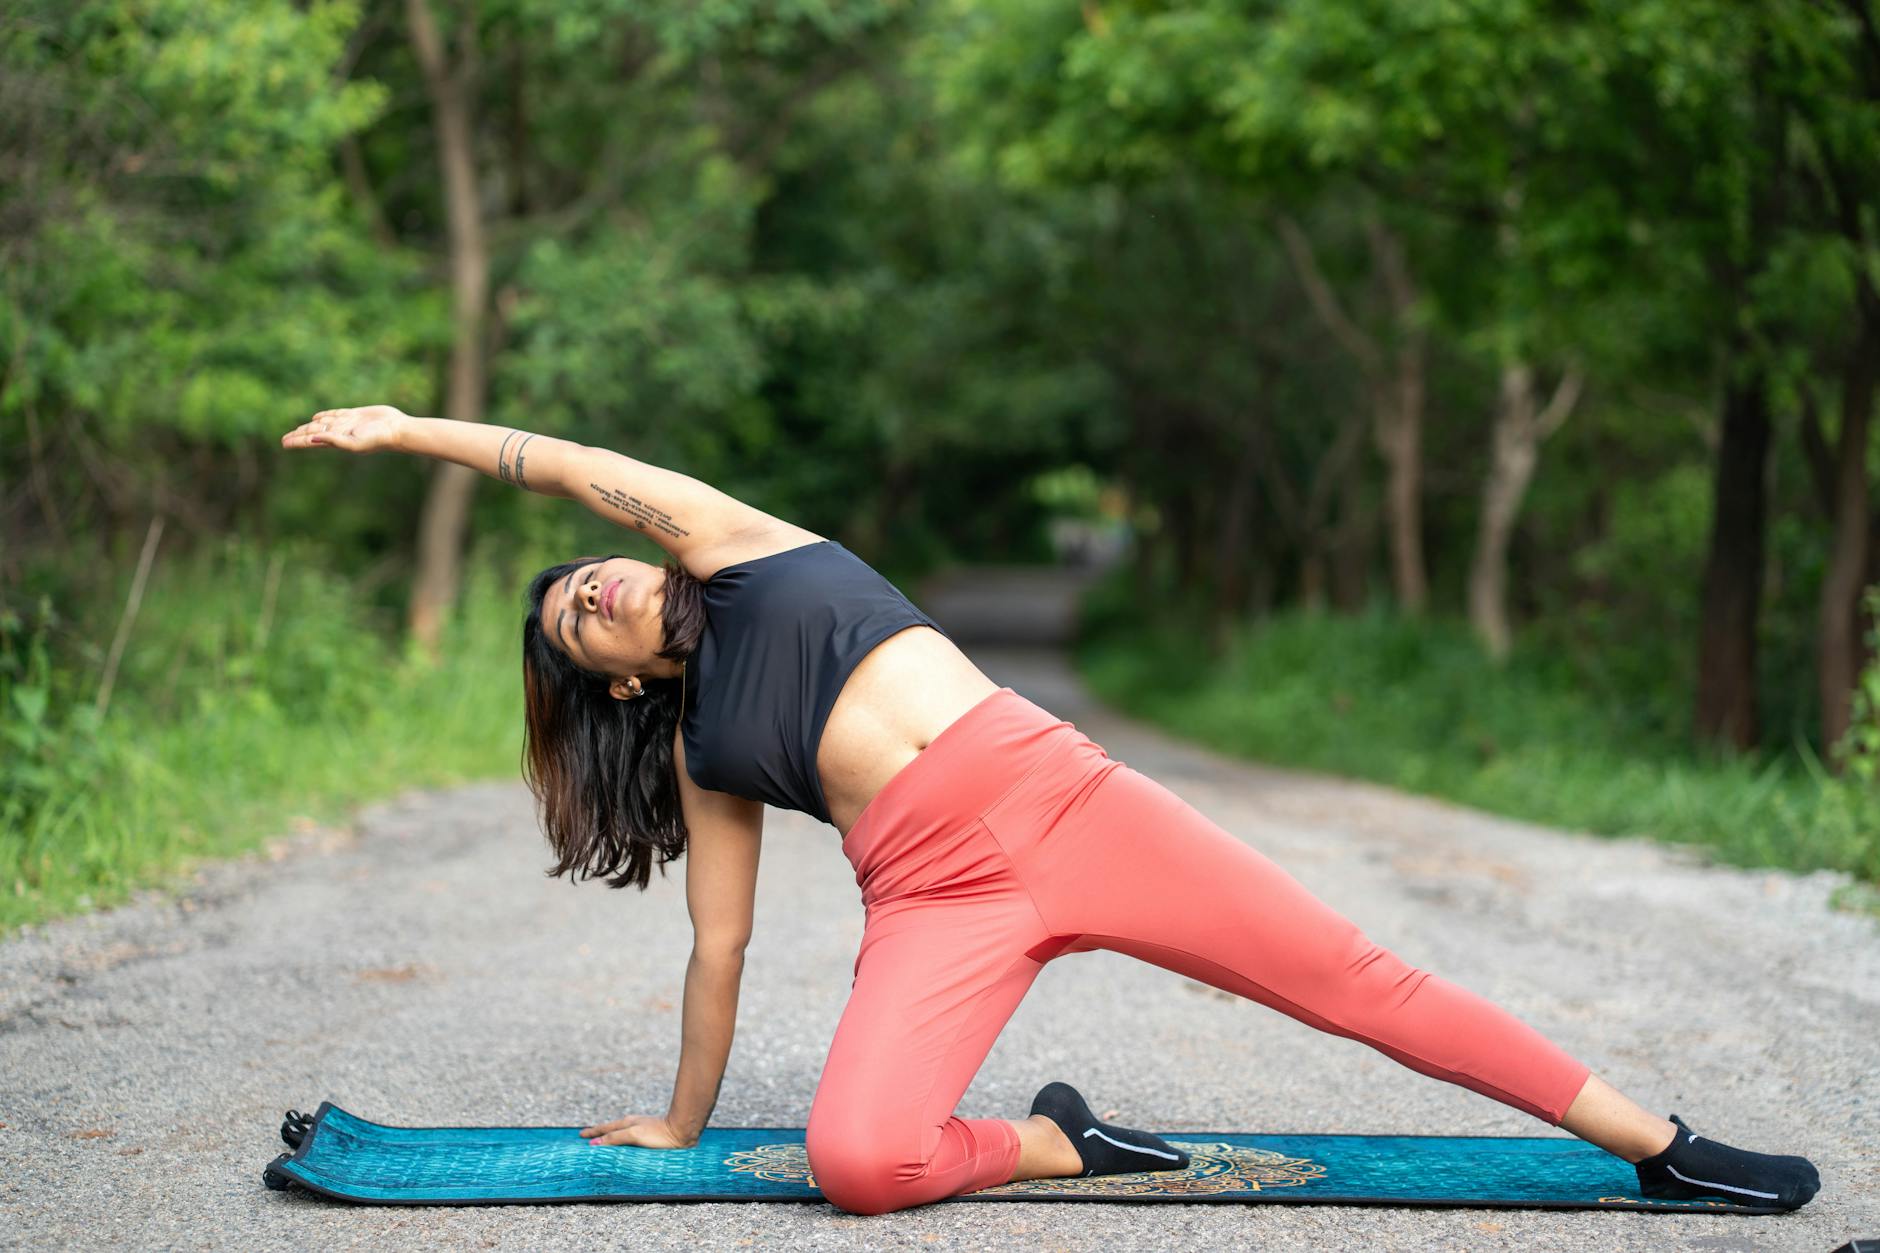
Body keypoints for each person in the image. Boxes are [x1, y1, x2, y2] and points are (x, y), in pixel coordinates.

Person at [282, 407, 1821, 1217]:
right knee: (857, 1165)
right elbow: (720, 945)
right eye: (575, 620)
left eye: (591, 577)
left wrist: (407, 427)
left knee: (1356, 982)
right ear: (610, 682)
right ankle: (1060, 1144)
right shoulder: (702, 748)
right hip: (938, 895)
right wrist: (681, 1120)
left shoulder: (738, 545)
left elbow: (582, 473)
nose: (597, 587)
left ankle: (1661, 1140)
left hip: (1063, 796)